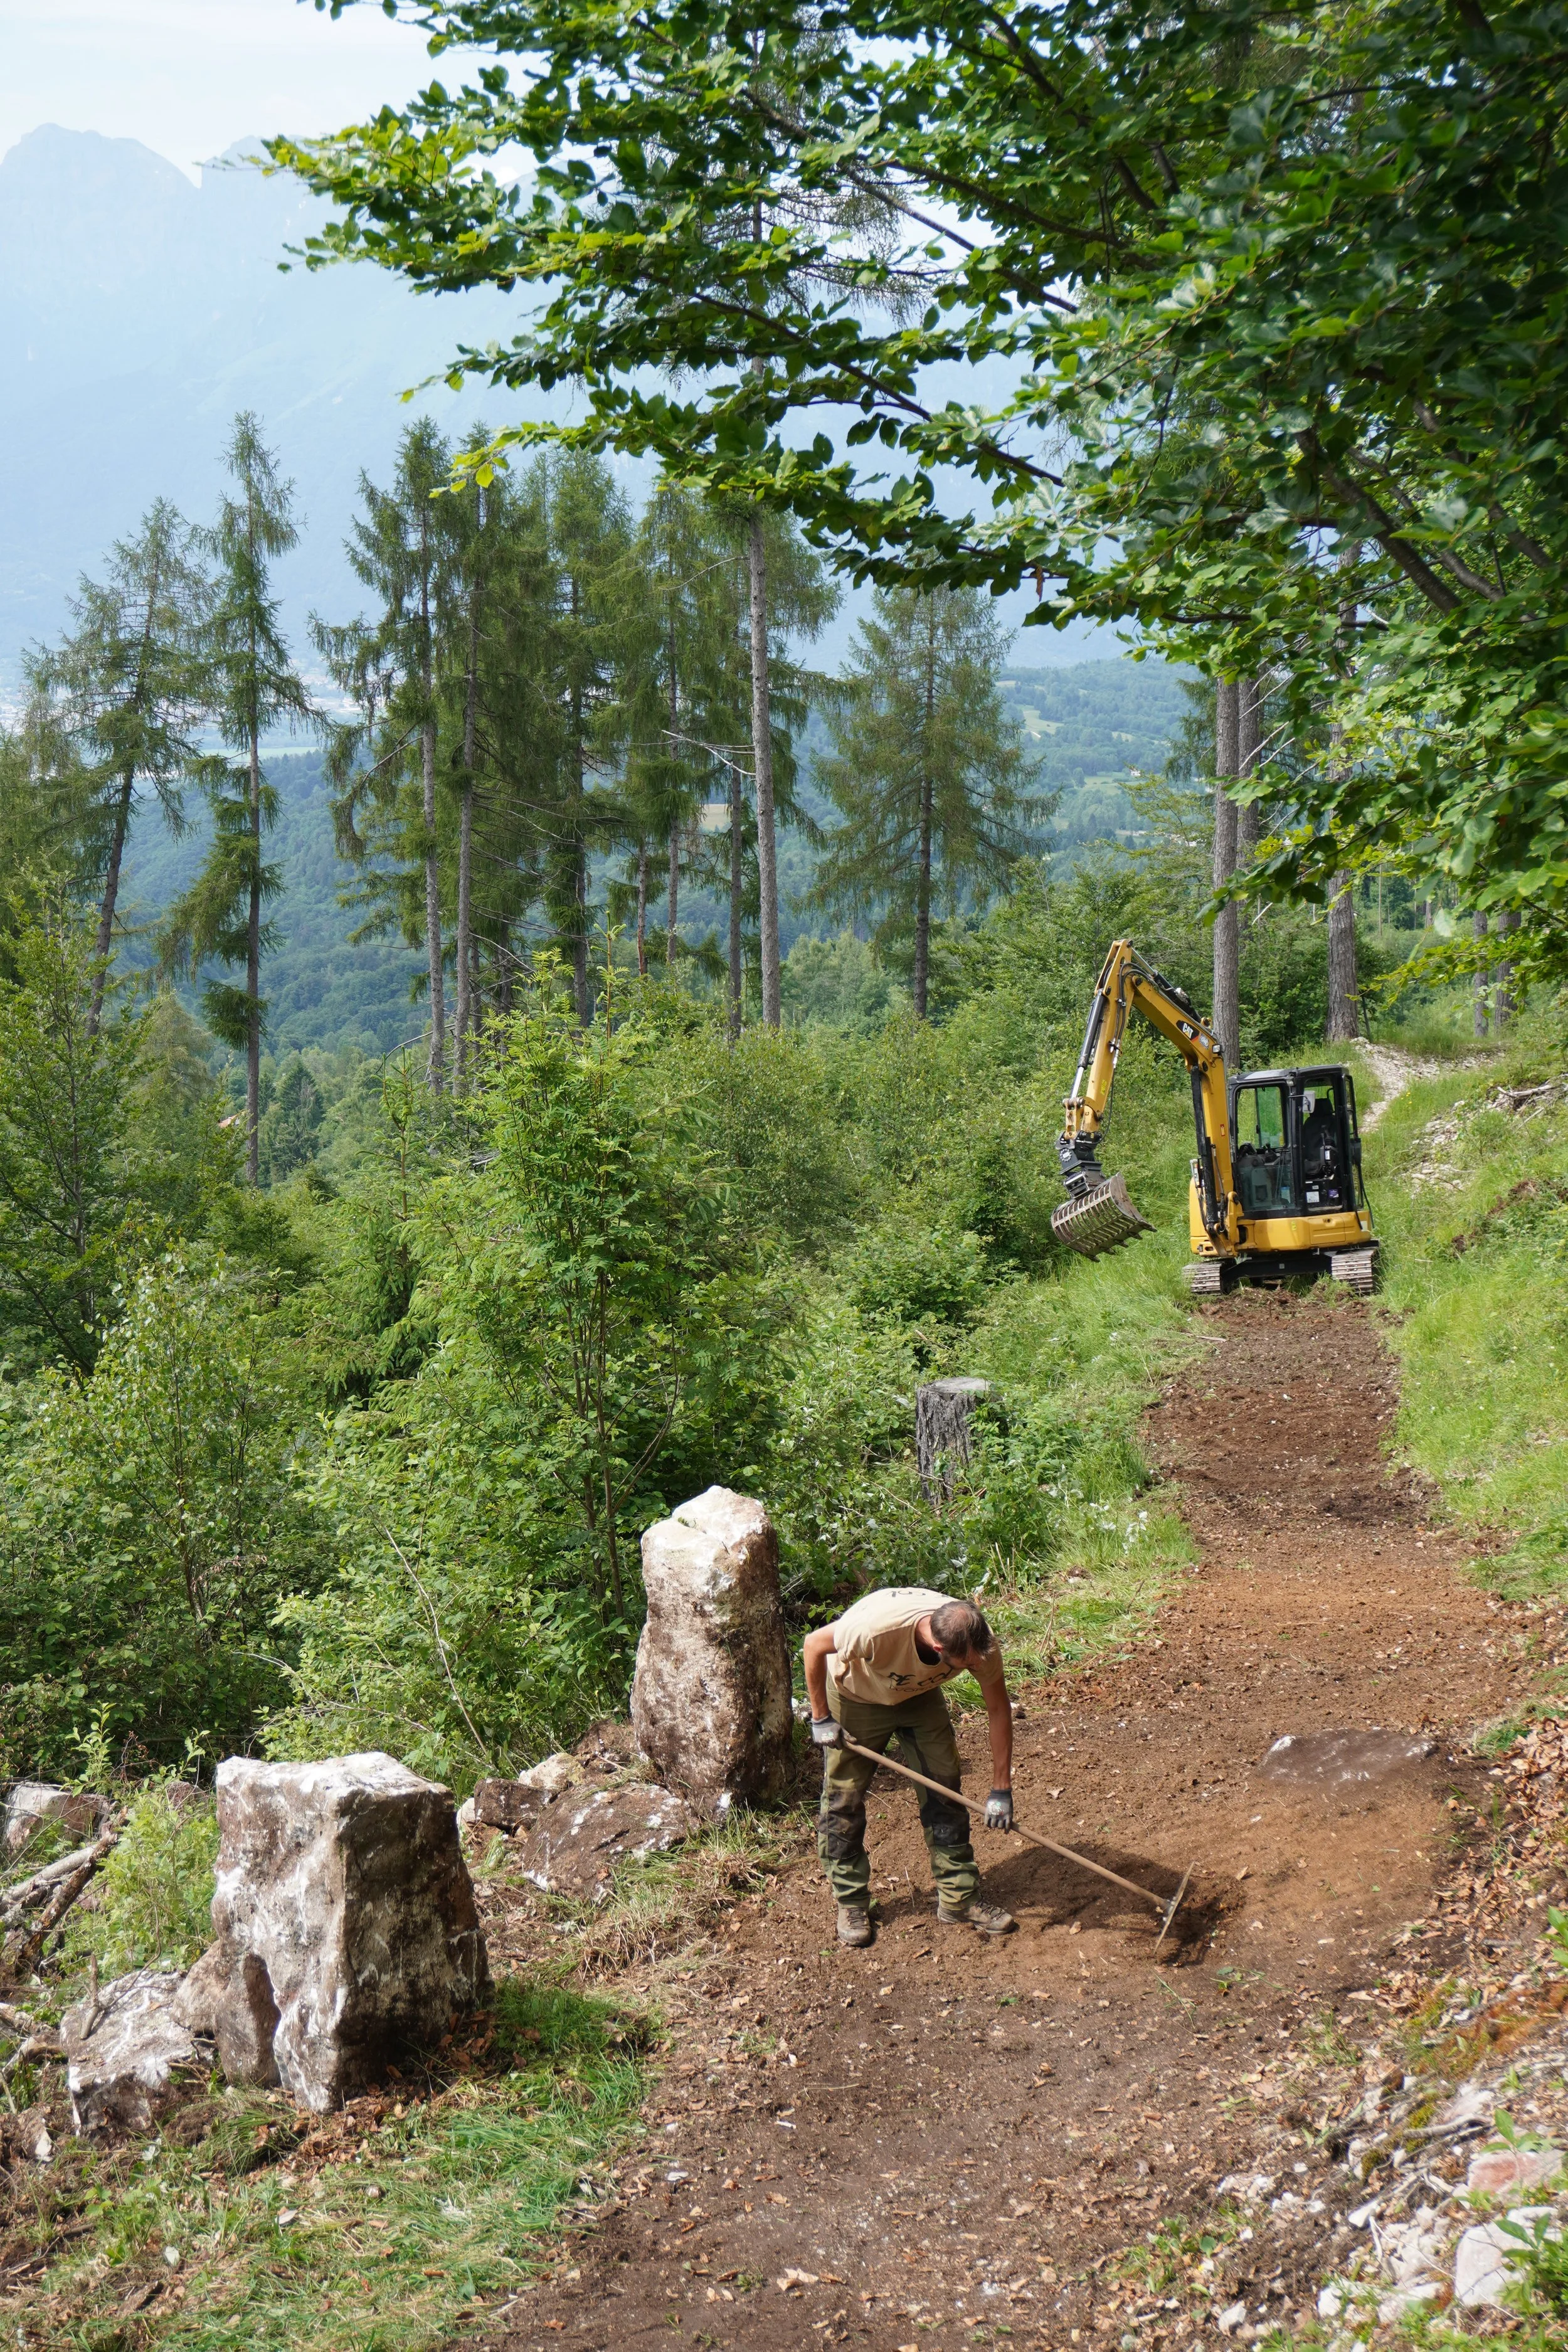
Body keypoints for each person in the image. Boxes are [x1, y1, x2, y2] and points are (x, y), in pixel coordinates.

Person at [803, 1587, 1018, 1948]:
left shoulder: (979, 1645)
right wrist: (821, 1717)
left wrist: (1001, 1789)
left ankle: (958, 1898)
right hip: (857, 1694)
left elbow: (998, 1709)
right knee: (844, 1800)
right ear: (938, 1650)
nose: (977, 1668)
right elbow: (813, 1645)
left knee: (944, 1788)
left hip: (918, 1697)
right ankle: (852, 1902)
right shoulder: (872, 1630)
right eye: (967, 1666)